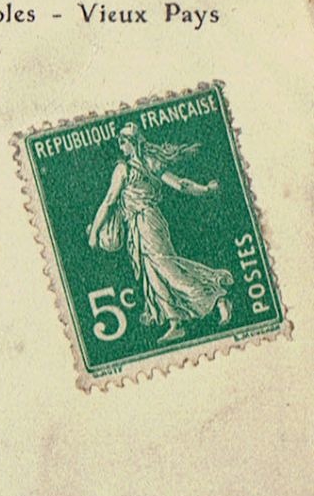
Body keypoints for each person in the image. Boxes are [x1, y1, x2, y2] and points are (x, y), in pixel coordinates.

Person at [86, 122, 233, 344]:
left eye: (123, 141)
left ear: (132, 143)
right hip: (140, 226)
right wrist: (205, 189)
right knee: (153, 274)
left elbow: (109, 201)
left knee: (168, 269)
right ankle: (176, 323)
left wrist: (94, 232)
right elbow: (180, 184)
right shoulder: (148, 163)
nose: (120, 145)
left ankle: (216, 297)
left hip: (148, 223)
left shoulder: (124, 170)